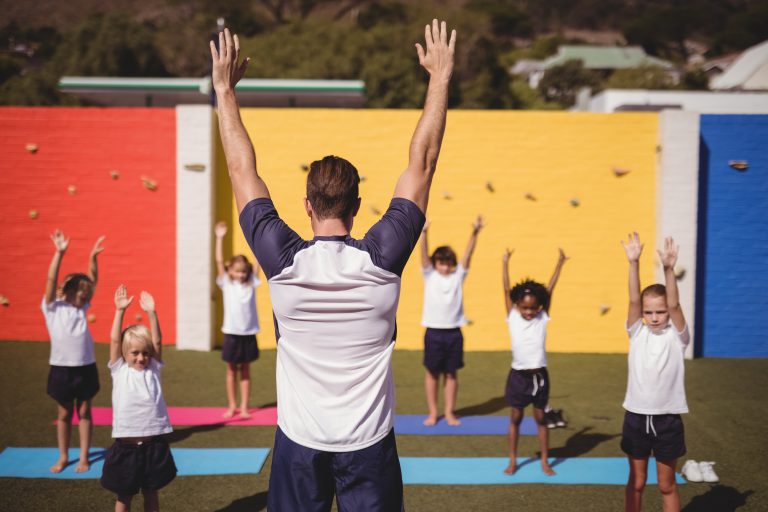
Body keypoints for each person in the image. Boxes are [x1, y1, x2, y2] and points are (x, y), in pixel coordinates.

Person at [211, 19, 456, 511]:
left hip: (299, 443)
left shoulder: (282, 260)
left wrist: (224, 88)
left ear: (306, 204)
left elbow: (241, 169)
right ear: (358, 204)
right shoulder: (383, 258)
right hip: (369, 445)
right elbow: (423, 161)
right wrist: (440, 76)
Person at [620, 233, 689, 512]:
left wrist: (669, 269)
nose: (655, 316)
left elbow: (674, 305)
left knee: (666, 484)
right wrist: (633, 263)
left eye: (660, 312)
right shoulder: (636, 332)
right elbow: (634, 300)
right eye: (649, 312)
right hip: (636, 417)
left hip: (667, 421)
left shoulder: (678, 337)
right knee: (636, 482)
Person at [101, 285, 176, 512]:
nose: (141, 357)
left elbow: (158, 342)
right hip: (126, 448)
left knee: (151, 493)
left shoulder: (153, 368)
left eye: (145, 352)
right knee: (124, 496)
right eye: (135, 353)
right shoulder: (119, 369)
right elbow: (115, 341)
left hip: (153, 446)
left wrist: (152, 313)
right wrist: (119, 311)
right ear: (124, 355)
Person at [501, 247, 567, 476]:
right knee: (516, 418)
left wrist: (560, 264)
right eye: (524, 307)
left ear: (539, 306)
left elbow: (550, 289)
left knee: (541, 420)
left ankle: (545, 460)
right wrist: (505, 262)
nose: (529, 311)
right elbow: (506, 288)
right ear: (517, 304)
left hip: (540, 377)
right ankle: (512, 459)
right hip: (518, 376)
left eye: (533, 307)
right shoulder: (512, 316)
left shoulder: (542, 316)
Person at [42, 229, 105, 473]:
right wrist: (59, 252)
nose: (85, 293)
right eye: (80, 290)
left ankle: (83, 457)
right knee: (64, 413)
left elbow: (93, 279)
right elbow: (50, 281)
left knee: (85, 411)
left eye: (86, 292)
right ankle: (63, 455)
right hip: (61, 368)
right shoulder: (51, 307)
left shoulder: (81, 307)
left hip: (85, 366)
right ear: (66, 290)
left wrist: (93, 257)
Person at [419, 215, 484, 426]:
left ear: (453, 264)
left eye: (448, 263)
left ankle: (449, 412)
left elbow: (468, 255)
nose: (445, 267)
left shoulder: (458, 277)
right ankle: (432, 412)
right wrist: (424, 233)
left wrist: (475, 233)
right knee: (432, 374)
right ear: (435, 263)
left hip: (454, 332)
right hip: (433, 332)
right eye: (441, 262)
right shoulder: (429, 275)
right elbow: (423, 256)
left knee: (451, 374)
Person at [214, 220, 261, 419]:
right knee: (232, 370)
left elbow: (258, 259)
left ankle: (244, 407)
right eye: (236, 271)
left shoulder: (251, 282)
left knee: (246, 371)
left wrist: (256, 236)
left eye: (243, 271)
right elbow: (218, 261)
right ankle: (232, 405)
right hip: (232, 333)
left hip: (248, 333)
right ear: (230, 270)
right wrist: (219, 238)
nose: (240, 274)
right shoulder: (226, 283)